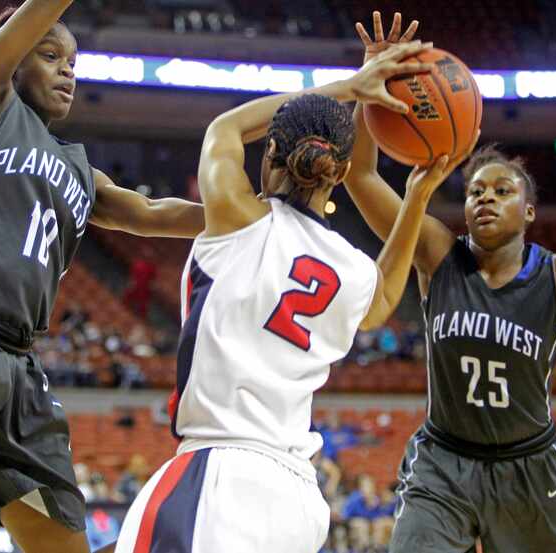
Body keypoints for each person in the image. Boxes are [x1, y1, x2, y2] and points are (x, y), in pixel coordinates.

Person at [0, 2, 205, 553]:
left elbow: (154, 215)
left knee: (64, 544)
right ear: (12, 59)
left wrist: (260, 212)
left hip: (20, 367)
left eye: (74, 61)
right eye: (50, 55)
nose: (68, 69)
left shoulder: (78, 167)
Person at [115, 41, 468, 553]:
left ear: (272, 154)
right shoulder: (350, 266)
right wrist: (416, 196)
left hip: (218, 476)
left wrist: (350, 86)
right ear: (342, 175)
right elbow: (388, 291)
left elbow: (226, 129)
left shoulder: (235, 215)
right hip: (298, 500)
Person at [346, 11, 556, 553]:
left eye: (503, 191)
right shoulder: (438, 252)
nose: (485, 197)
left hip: (530, 469)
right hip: (443, 464)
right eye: (477, 190)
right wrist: (371, 85)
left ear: (530, 212)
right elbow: (360, 174)